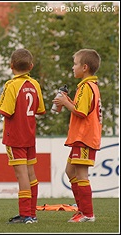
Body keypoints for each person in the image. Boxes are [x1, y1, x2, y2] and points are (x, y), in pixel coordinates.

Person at [52, 49, 102, 223]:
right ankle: (81, 209)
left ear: (85, 67)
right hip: (80, 137)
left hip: (85, 137)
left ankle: (87, 214)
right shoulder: (86, 86)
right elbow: (82, 108)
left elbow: (81, 112)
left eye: (75, 64)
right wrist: (68, 101)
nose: (73, 67)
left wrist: (66, 103)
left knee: (81, 175)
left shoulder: (87, 86)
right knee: (70, 171)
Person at [0, 48, 46, 224]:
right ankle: (32, 213)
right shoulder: (35, 84)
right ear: (31, 66)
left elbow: (5, 110)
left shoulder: (11, 85)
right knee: (31, 173)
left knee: (22, 175)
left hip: (15, 136)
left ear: (11, 66)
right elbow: (40, 110)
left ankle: (26, 215)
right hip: (30, 136)